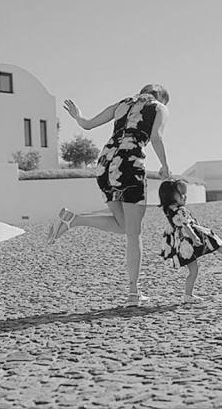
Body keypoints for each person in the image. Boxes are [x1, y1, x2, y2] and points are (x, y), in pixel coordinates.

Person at [47, 84, 171, 306]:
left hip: (105, 165)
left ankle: (75, 220)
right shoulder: (158, 107)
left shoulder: (121, 104)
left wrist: (78, 116)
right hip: (130, 164)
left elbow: (87, 124)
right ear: (161, 96)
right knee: (134, 232)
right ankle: (133, 293)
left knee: (125, 226)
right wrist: (165, 166)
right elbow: (156, 137)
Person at [158, 179, 222, 304]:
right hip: (188, 241)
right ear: (172, 197)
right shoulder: (180, 210)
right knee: (212, 237)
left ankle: (188, 295)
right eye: (182, 195)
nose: (185, 197)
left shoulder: (168, 209)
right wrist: (194, 237)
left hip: (181, 245)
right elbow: (186, 225)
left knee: (193, 270)